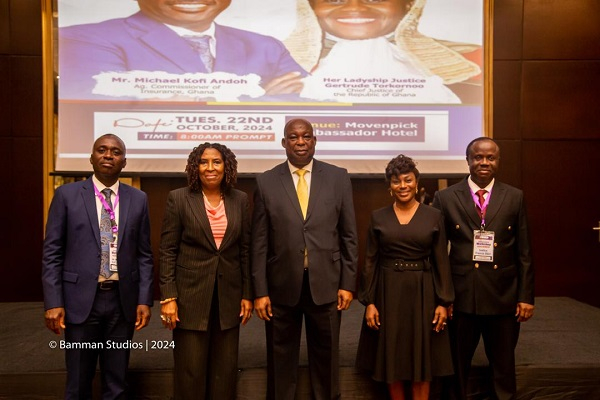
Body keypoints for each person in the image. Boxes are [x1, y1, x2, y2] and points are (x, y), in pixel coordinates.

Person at [251, 118, 358, 400]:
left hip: (327, 283)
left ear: (314, 141)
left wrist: (348, 283)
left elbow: (349, 235)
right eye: (294, 137)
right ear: (284, 143)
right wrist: (260, 291)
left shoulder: (338, 177)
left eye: (306, 136)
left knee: (327, 356)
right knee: (280, 356)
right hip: (280, 286)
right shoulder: (266, 181)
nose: (300, 142)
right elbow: (259, 243)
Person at [42, 134, 154, 399]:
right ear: (91, 157)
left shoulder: (138, 199)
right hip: (79, 301)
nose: (108, 155)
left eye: (115, 152)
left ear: (124, 162)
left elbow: (145, 254)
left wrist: (144, 299)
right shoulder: (66, 196)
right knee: (79, 381)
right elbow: (52, 252)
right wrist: (53, 301)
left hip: (121, 301)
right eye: (101, 150)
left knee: (117, 383)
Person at [432, 137, 535, 400]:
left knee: (503, 365)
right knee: (457, 365)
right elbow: (438, 255)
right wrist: (444, 297)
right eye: (478, 157)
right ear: (468, 160)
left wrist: (525, 296)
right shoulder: (445, 197)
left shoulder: (514, 196)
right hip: (462, 296)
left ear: (498, 161)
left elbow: (524, 252)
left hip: (503, 296)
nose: (484, 162)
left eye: (490, 158)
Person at [59, 0, 306, 100]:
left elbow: (307, 103)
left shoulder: (265, 46)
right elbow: (105, 108)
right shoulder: (84, 38)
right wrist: (260, 97)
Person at [356, 154, 454, 400]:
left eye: (408, 180)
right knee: (393, 358)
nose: (402, 186)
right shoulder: (378, 217)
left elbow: (442, 260)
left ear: (417, 183)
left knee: (422, 360)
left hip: (423, 291)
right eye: (396, 181)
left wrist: (444, 301)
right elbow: (370, 261)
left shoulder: (434, 216)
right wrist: (369, 302)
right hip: (387, 292)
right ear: (390, 186)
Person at [159, 143, 252, 400]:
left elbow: (245, 250)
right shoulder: (178, 198)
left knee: (225, 372)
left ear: (227, 166)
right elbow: (167, 250)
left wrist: (247, 294)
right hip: (190, 298)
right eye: (203, 162)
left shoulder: (240, 199)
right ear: (195, 167)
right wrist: (169, 297)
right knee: (191, 371)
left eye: (217, 162)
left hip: (228, 298)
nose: (210, 167)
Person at [289, 0, 481, 103]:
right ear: (310, 6)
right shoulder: (270, 63)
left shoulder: (472, 60)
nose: (355, 8)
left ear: (408, 4)